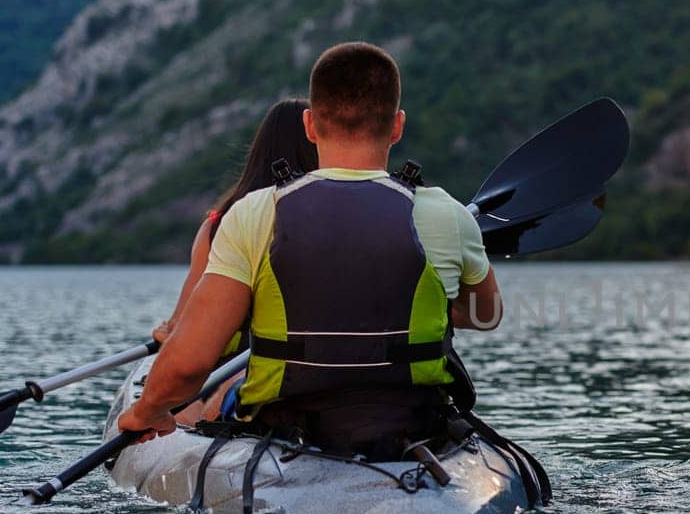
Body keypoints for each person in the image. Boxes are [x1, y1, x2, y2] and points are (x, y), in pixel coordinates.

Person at [117, 42, 502, 457]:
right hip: (411, 428)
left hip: (289, 430)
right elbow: (486, 315)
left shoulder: (254, 214)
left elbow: (191, 360)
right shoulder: (449, 215)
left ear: (310, 126)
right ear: (397, 126)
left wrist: (147, 411)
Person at [152, 99, 318, 347]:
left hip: (231, 364)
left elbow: (182, 324)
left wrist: (166, 331)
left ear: (258, 150)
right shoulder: (329, 217)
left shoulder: (217, 225)